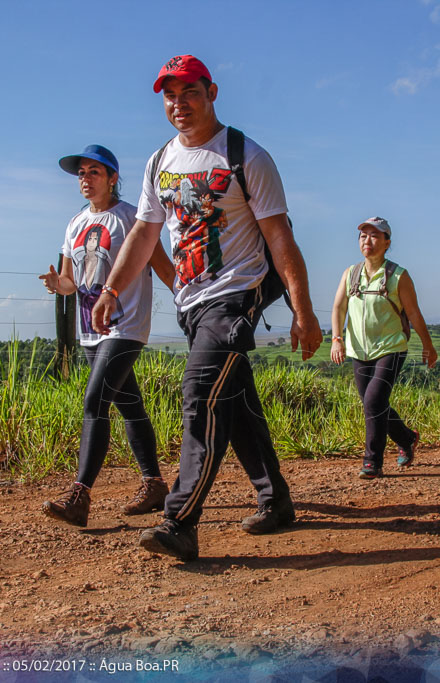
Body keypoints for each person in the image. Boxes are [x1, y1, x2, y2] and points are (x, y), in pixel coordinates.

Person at [90, 55, 323, 561]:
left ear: (211, 92)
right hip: (192, 299)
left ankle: (180, 520)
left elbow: (279, 235)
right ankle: (276, 500)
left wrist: (303, 309)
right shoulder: (160, 162)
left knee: (200, 392)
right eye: (170, 95)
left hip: (239, 291)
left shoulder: (244, 154)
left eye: (190, 92)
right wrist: (110, 288)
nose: (180, 103)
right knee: (234, 399)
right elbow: (145, 233)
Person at [39, 144, 175, 527]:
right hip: (89, 330)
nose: (85, 179)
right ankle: (154, 485)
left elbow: (161, 264)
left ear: (113, 178)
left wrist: (188, 301)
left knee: (94, 402)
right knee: (129, 406)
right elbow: (70, 282)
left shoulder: (131, 217)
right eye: (81, 173)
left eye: (93, 172)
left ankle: (79, 497)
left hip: (125, 325)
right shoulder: (75, 224)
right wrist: (57, 284)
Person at [330, 217, 438, 478]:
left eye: (375, 236)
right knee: (373, 403)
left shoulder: (398, 275)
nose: (368, 240)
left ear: (387, 243)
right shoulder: (350, 273)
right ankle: (406, 438)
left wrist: (428, 345)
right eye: (363, 236)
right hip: (358, 350)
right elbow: (339, 307)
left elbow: (413, 313)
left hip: (391, 347)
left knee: (374, 400)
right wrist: (337, 338)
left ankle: (372, 461)